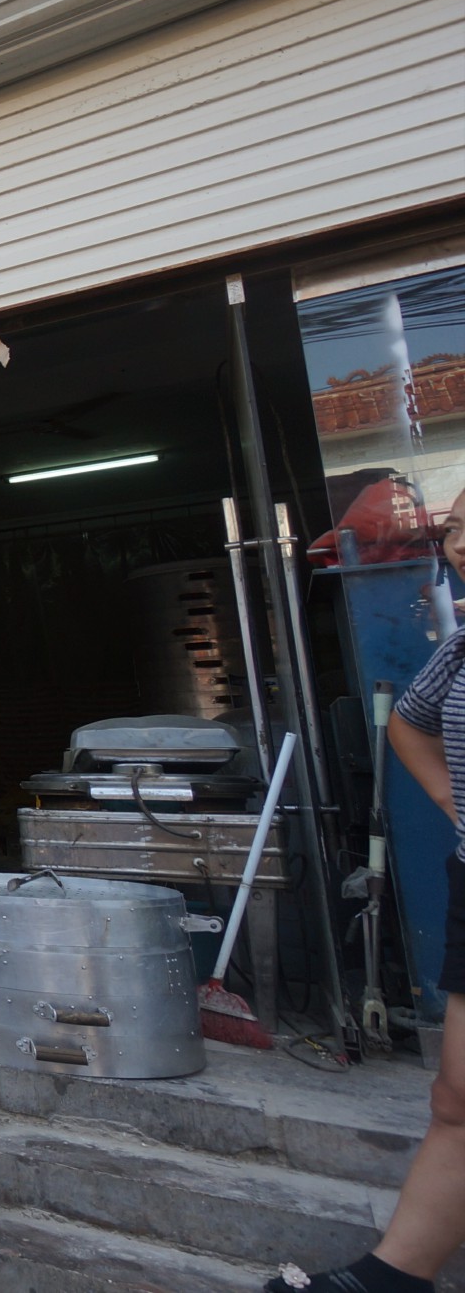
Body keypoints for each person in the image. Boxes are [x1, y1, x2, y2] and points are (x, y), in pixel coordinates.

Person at [271, 493, 465, 1293]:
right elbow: (409, 724)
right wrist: (457, 805)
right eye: (454, 527)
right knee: (457, 1097)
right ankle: (395, 1278)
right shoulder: (460, 652)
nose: (457, 541)